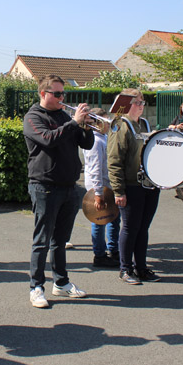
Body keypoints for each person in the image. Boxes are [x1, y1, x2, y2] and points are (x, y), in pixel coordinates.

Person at [24, 75, 94, 308]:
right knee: (41, 240)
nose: (62, 98)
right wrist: (74, 122)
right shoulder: (33, 117)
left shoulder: (64, 116)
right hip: (44, 186)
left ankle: (61, 282)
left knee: (60, 240)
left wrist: (87, 125)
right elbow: (48, 139)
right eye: (57, 94)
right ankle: (36, 287)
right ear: (43, 94)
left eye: (63, 93)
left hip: (69, 186)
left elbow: (86, 144)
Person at [108, 89, 161, 284]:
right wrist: (118, 191)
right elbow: (114, 161)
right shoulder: (120, 126)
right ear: (125, 104)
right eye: (136, 102)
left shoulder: (145, 124)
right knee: (130, 228)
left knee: (143, 228)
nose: (140, 106)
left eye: (142, 102)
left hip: (149, 184)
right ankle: (125, 269)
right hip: (131, 185)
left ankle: (141, 268)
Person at [82, 108, 120, 268]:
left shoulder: (103, 138)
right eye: (106, 121)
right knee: (99, 221)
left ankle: (113, 250)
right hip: (100, 187)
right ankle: (99, 255)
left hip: (107, 186)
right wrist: (98, 193)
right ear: (97, 123)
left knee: (113, 219)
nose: (108, 124)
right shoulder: (95, 141)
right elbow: (95, 168)